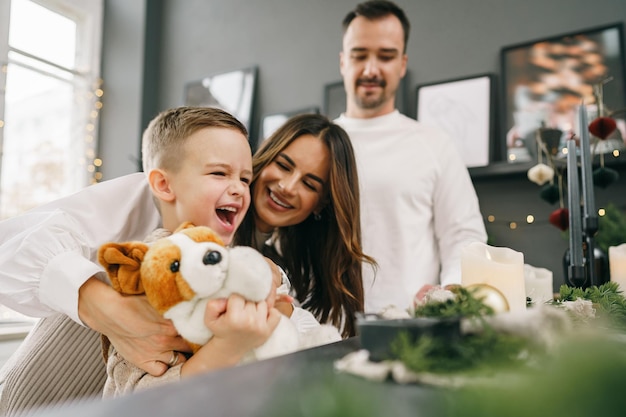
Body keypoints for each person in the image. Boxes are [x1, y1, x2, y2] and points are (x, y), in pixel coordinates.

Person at [335, 0, 487, 313]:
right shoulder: (316, 146)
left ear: (402, 64)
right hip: (321, 331)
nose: (371, 69)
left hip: (411, 329)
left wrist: (452, 292)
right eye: (359, 55)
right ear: (342, 62)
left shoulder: (434, 144)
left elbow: (464, 235)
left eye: (386, 56)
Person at [234, 113, 375, 338]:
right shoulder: (215, 233)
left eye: (309, 184)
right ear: (266, 156)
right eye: (283, 165)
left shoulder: (282, 264)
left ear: (322, 204)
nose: (288, 187)